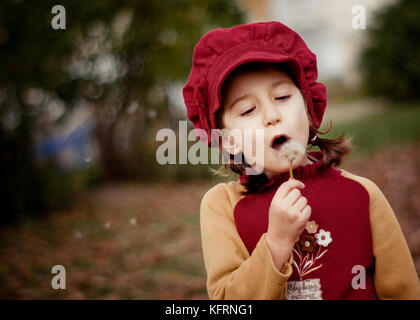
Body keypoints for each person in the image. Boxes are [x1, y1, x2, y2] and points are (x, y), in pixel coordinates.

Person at [182, 21, 420, 300]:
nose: (272, 115)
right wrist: (277, 243)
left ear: (307, 108)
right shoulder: (222, 206)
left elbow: (403, 292)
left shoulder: (363, 194)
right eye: (247, 110)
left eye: (282, 96)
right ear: (229, 140)